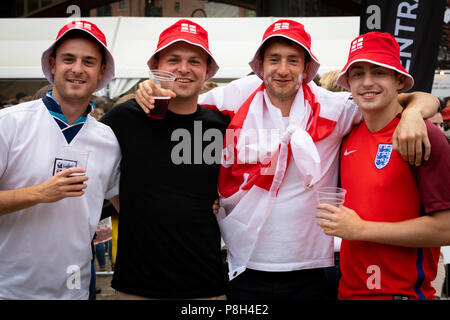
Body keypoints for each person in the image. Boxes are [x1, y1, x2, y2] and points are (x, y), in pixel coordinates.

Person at [135, 19, 439, 300]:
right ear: (260, 65)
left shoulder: (336, 107)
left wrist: (413, 113)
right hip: (245, 264)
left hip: (312, 268)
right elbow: (182, 105)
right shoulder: (234, 97)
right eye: (274, 59)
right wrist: (148, 88)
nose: (283, 69)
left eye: (293, 60)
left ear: (306, 68)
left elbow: (404, 98)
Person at [100, 19, 229, 300]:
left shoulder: (221, 126)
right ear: (156, 66)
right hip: (136, 286)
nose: (183, 68)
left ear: (207, 70)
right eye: (173, 59)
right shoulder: (124, 119)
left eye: (194, 61)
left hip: (204, 285)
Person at [316, 31, 450, 300]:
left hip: (400, 295)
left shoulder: (422, 135)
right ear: (348, 83)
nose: (367, 82)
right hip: (347, 293)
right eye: (357, 74)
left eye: (378, 72)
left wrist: (361, 229)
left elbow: (446, 228)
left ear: (399, 80)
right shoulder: (348, 134)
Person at [0, 21, 121, 299]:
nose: (78, 68)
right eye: (69, 59)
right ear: (52, 64)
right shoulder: (9, 123)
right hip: (10, 289)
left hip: (75, 289)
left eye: (89, 61)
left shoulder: (108, 139)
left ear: (102, 71)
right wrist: (38, 193)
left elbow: (126, 204)